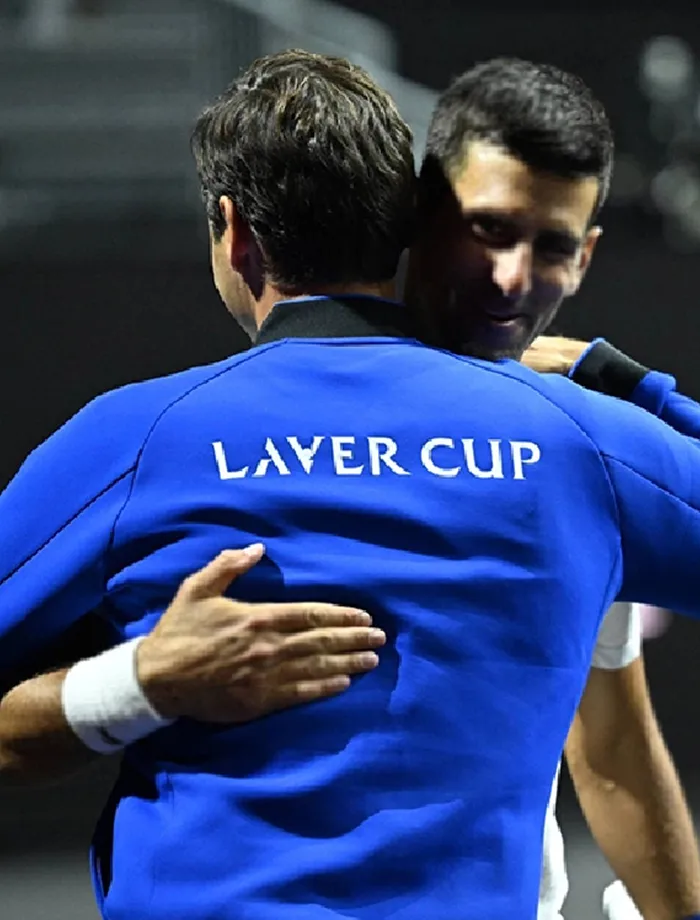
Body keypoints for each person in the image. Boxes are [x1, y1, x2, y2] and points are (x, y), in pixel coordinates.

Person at [3, 49, 700, 920]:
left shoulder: (134, 439)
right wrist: (630, 385)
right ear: (408, 223)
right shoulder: (576, 441)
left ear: (233, 231)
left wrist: (135, 685)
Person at [406, 59, 700, 919]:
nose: (512, 276)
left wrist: (625, 384)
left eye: (552, 246)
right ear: (424, 217)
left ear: (587, 256)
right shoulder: (284, 416)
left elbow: (609, 746)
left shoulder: (575, 449)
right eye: (489, 229)